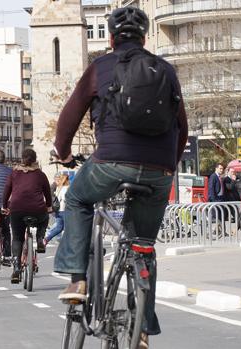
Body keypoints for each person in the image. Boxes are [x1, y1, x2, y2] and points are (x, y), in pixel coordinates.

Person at [51, 7, 188, 346]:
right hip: (159, 171)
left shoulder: (100, 68)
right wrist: (167, 165)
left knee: (78, 199)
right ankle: (141, 326)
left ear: (110, 39)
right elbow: (182, 127)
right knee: (143, 244)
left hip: (111, 162)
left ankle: (78, 280)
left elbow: (67, 120)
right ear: (144, 39)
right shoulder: (166, 70)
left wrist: (64, 153)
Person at [2, 149, 52, 284]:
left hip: (17, 209)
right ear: (35, 160)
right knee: (44, 218)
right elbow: (48, 193)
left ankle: (16, 268)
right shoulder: (40, 174)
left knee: (17, 238)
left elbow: (7, 190)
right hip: (37, 209)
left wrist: (4, 206)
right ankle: (40, 238)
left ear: (22, 158)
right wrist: (49, 207)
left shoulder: (14, 173)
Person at [44, 173, 70, 244]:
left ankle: (46, 239)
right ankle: (68, 243)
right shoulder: (65, 188)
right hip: (65, 211)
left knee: (59, 228)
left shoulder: (59, 187)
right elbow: (65, 199)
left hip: (58, 211)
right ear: (67, 180)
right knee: (69, 228)